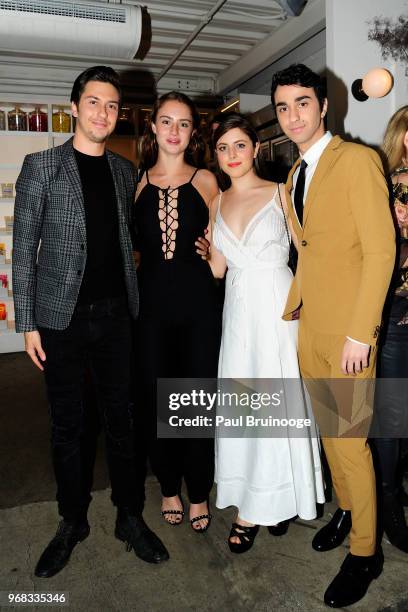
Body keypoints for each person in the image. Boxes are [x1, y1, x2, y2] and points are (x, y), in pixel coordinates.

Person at [12, 65, 169, 577]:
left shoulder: (124, 172)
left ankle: (128, 516)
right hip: (61, 319)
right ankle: (71, 520)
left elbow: (125, 243)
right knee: (68, 425)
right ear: (75, 107)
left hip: (116, 316)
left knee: (122, 422)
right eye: (95, 103)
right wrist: (28, 322)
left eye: (112, 106)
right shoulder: (42, 166)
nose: (104, 113)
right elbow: (23, 248)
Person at [271, 64, 395, 607]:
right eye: (282, 107)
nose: (293, 115)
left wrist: (361, 335)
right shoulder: (297, 172)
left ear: (324, 106)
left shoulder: (358, 161)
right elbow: (313, 251)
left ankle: (366, 553)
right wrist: (295, 305)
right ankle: (348, 510)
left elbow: (381, 251)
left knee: (349, 443)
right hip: (311, 328)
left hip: (348, 335)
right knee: (330, 439)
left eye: (302, 103)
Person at [205, 112, 324, 552]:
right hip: (237, 312)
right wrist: (200, 252)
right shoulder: (216, 202)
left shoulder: (281, 193)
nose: (231, 155)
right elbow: (218, 269)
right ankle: (262, 497)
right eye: (222, 148)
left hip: (277, 307)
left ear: (255, 148)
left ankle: (265, 505)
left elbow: (307, 250)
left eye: (239, 145)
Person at [132, 91, 221, 532]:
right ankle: (169, 486)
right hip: (149, 311)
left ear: (193, 132)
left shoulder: (207, 180)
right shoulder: (136, 182)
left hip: (200, 307)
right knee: (156, 399)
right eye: (165, 121)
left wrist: (215, 253)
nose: (173, 131)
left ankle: (199, 490)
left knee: (195, 399)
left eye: (182, 123)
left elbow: (231, 241)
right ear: (153, 127)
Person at [373, 105, 408, 552]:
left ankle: (391, 487)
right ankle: (385, 502)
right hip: (396, 314)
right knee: (391, 414)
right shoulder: (394, 183)